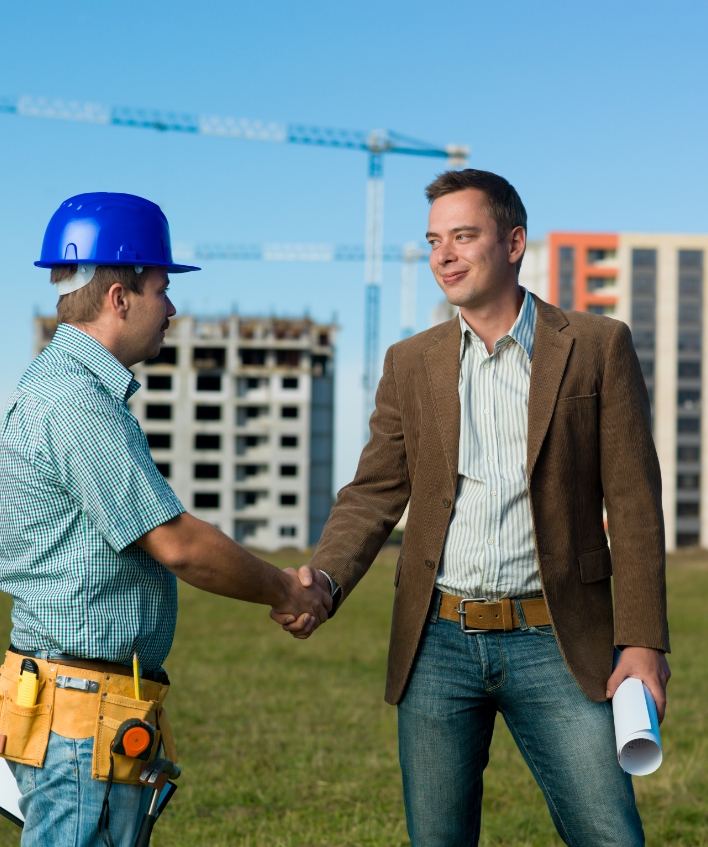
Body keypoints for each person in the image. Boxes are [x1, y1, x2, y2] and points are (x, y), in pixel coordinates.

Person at [273, 170, 671, 846]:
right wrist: (326, 579)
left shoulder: (597, 346)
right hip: (438, 642)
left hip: (556, 636)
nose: (444, 255)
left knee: (610, 834)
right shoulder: (409, 363)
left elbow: (633, 501)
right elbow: (373, 492)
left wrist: (643, 639)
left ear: (514, 242)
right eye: (434, 241)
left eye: (464, 236)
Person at [0, 192, 331, 847]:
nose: (172, 308)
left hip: (77, 702)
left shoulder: (65, 390)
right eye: (162, 289)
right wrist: (287, 590)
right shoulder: (76, 403)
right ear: (120, 296)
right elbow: (177, 543)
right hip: (78, 715)